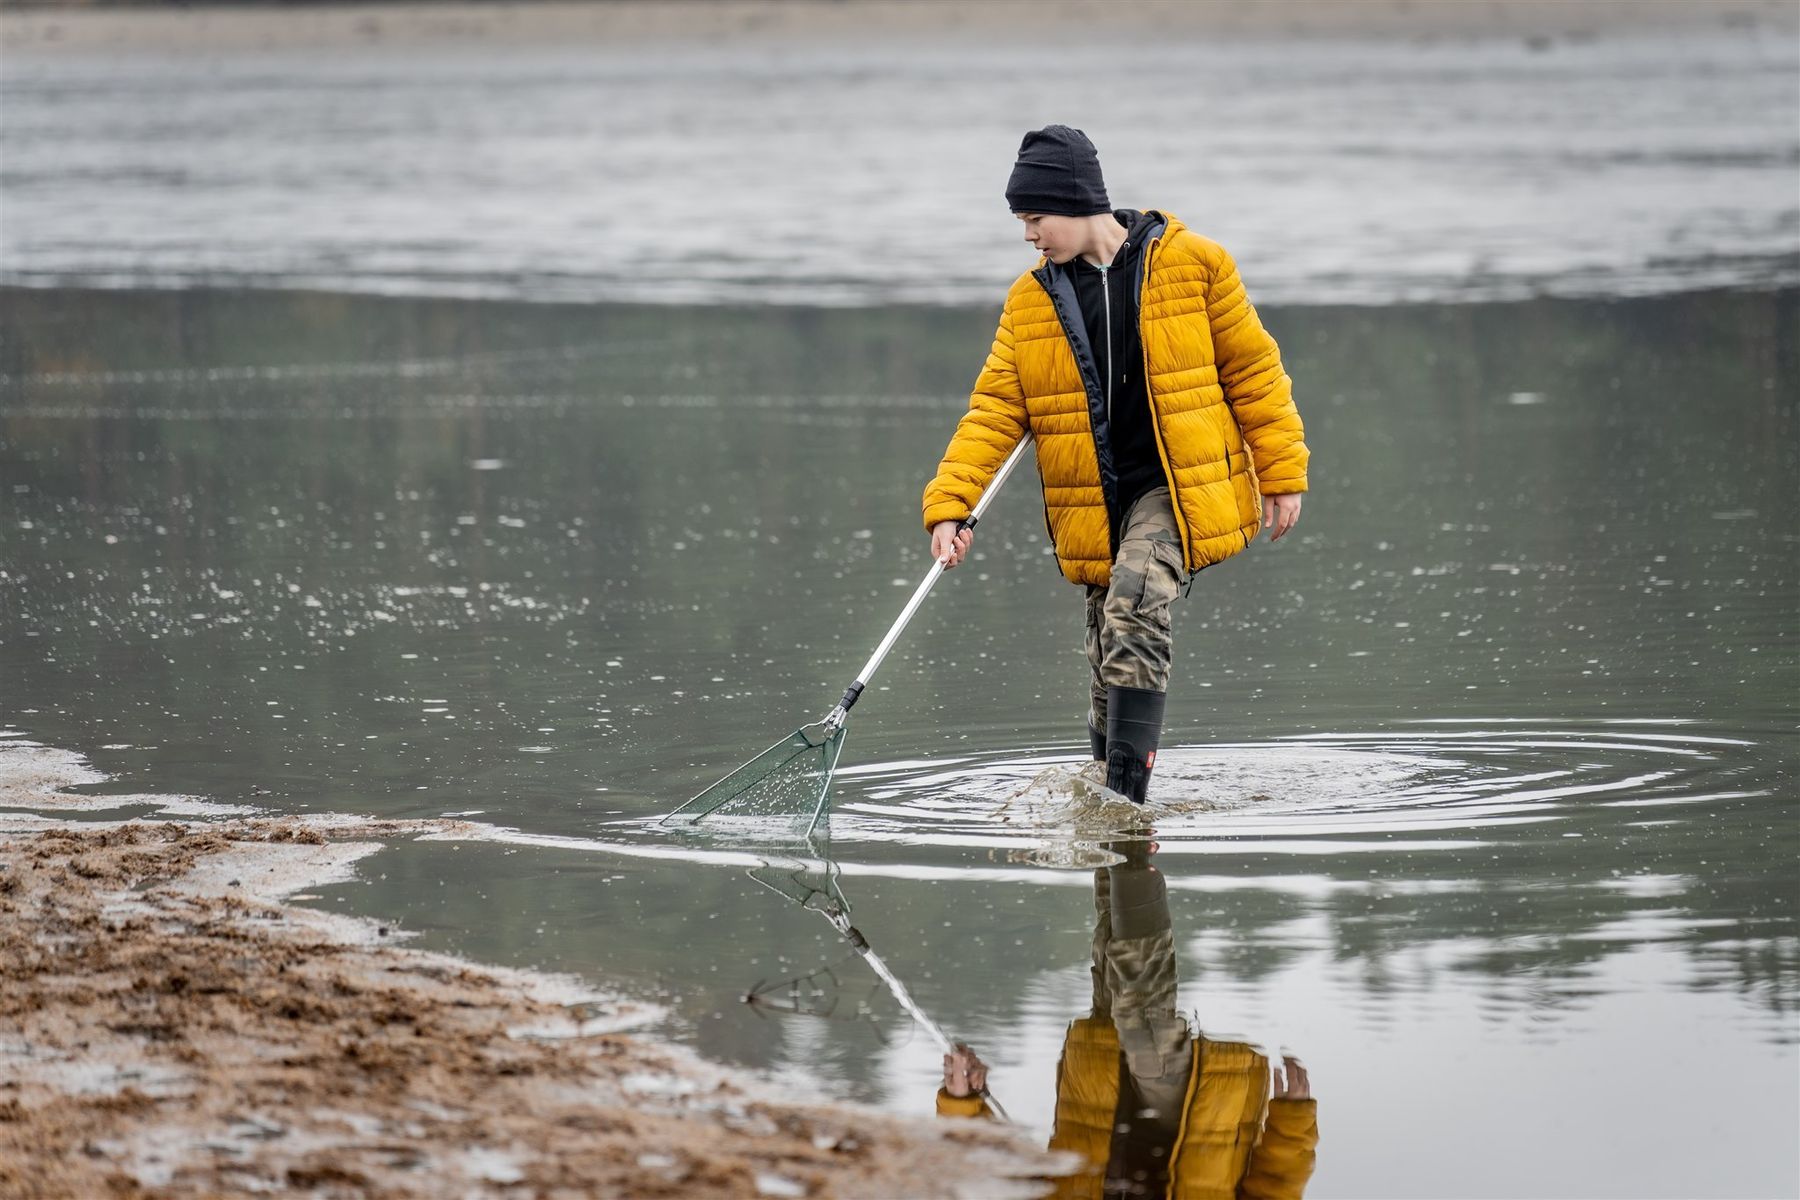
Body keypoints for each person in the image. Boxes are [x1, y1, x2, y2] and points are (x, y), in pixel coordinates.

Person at [922, 125, 1309, 804]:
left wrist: (1280, 472)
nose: (1028, 236)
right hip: (1095, 502)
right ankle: (1112, 803)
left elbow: (1254, 371)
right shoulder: (1030, 301)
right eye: (1022, 223)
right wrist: (952, 505)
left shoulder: (1197, 264)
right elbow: (993, 413)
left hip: (1178, 488)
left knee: (1133, 607)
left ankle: (1127, 806)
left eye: (1034, 219)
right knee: (1108, 650)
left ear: (1075, 202)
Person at [936, 835, 1320, 1199]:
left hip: (1097, 1097)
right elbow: (1274, 1189)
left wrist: (962, 1102)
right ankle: (1131, 849)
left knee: (1109, 951)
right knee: (1143, 1013)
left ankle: (1115, 824)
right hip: (1191, 1116)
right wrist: (1290, 1125)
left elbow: (987, 1179)